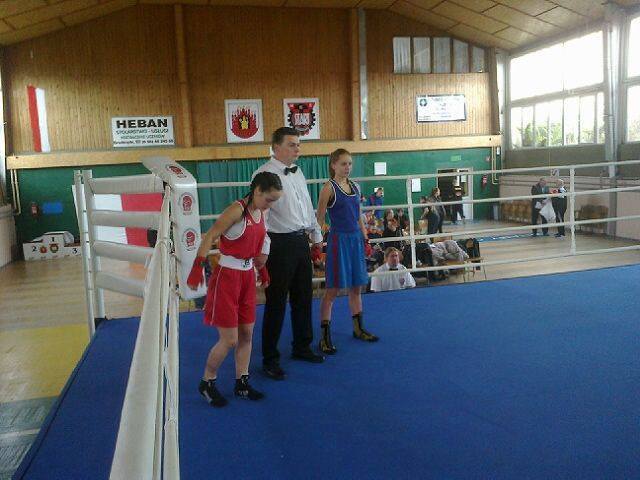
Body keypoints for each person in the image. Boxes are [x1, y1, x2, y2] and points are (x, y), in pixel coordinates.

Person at [186, 172, 283, 407]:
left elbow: (257, 242)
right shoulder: (237, 210)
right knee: (229, 339)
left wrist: (262, 268)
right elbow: (211, 235)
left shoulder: (261, 212)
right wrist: (198, 266)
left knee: (247, 334)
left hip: (248, 276)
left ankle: (242, 382)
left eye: (274, 201)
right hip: (227, 277)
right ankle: (207, 381)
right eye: (268, 199)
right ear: (257, 191)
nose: (270, 205)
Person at [253, 127, 325, 381]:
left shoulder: (298, 172)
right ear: (276, 147)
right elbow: (259, 216)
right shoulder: (263, 174)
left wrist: (316, 236)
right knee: (276, 302)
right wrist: (262, 252)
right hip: (278, 245)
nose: (297, 149)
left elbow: (307, 205)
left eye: (298, 145)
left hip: (300, 241)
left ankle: (302, 346)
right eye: (292, 144)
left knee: (303, 297)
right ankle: (270, 358)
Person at [315, 148, 378, 354]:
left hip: (355, 239)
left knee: (356, 287)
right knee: (332, 290)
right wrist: (316, 243)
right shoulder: (328, 188)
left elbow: (358, 215)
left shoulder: (355, 186)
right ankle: (324, 337)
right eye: (343, 164)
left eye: (350, 163)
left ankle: (359, 328)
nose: (347, 167)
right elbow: (320, 218)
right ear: (333, 165)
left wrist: (365, 237)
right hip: (338, 240)